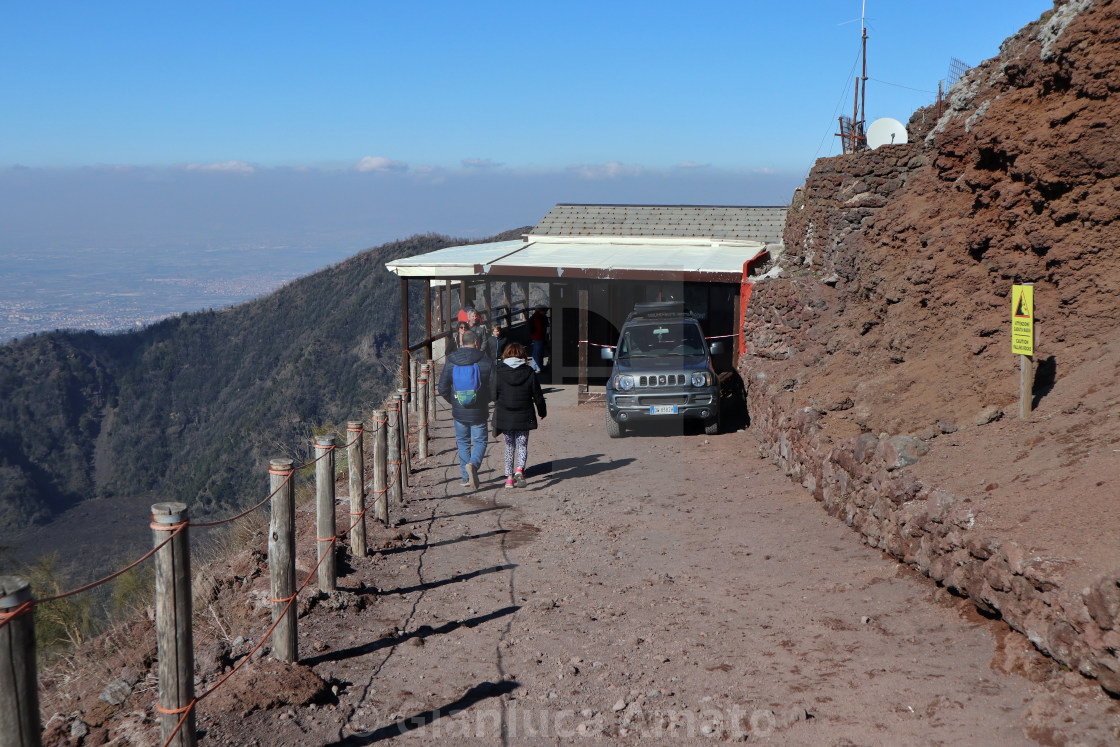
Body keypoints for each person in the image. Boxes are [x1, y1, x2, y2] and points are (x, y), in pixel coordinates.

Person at [438, 330, 494, 490]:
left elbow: (442, 388)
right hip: (479, 410)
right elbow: (494, 387)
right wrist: (485, 400)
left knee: (462, 442)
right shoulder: (485, 360)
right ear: (476, 342)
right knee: (481, 441)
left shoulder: (451, 361)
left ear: (460, 342)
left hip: (459, 411)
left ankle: (464, 476)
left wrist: (454, 401)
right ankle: (473, 465)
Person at [493, 342, 547, 488]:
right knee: (522, 444)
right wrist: (542, 411)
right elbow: (537, 395)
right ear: (522, 355)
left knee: (509, 445)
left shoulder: (498, 370)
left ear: (506, 354)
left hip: (505, 414)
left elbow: (493, 393)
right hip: (524, 413)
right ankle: (519, 470)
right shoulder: (529, 372)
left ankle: (509, 478)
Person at [529, 307, 549, 372]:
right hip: (539, 337)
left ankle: (535, 366)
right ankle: (539, 367)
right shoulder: (540, 317)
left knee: (535, 352)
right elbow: (540, 328)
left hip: (535, 337)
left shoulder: (535, 316)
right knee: (538, 353)